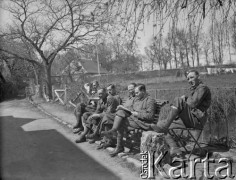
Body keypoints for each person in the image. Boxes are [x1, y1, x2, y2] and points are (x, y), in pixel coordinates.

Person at [151, 70, 211, 156]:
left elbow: (192, 103)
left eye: (192, 77)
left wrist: (184, 99)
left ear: (199, 77)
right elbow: (191, 102)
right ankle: (174, 148)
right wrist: (186, 98)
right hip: (190, 119)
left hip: (197, 120)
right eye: (188, 79)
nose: (189, 80)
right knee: (160, 124)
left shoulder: (202, 88)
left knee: (178, 100)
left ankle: (166, 125)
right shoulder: (195, 89)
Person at [101, 84, 156, 157]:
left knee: (120, 122)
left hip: (142, 122)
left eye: (137, 92)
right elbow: (132, 109)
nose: (136, 94)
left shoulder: (150, 100)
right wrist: (125, 109)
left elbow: (150, 116)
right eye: (135, 93)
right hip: (133, 119)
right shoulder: (137, 99)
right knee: (120, 113)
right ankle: (117, 142)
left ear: (143, 91)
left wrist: (137, 114)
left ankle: (118, 145)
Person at [96, 83, 137, 150]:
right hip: (120, 115)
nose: (130, 91)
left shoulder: (116, 97)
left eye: (132, 89)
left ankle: (103, 137)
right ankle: (108, 140)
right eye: (129, 90)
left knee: (107, 117)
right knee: (107, 117)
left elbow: (113, 109)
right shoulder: (129, 98)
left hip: (124, 116)